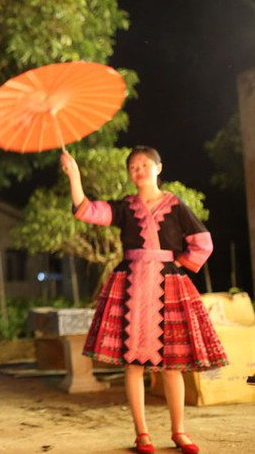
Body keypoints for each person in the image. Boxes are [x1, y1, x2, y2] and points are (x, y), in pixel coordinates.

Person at [60, 147, 228, 454]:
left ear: (158, 167)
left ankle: (179, 431)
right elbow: (87, 211)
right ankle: (143, 435)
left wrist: (178, 265)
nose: (139, 170)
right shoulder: (125, 207)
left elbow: (203, 242)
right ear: (129, 173)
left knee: (172, 365)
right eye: (133, 167)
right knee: (133, 365)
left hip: (167, 283)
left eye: (144, 165)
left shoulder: (176, 206)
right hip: (132, 284)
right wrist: (74, 175)